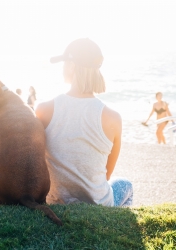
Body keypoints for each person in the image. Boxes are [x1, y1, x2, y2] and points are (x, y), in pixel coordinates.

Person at [35, 38, 133, 207]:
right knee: (126, 185)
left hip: (55, 202)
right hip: (98, 204)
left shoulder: (44, 109)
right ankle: (116, 227)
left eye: (64, 63)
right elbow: (106, 175)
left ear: (72, 66)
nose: (63, 67)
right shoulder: (113, 118)